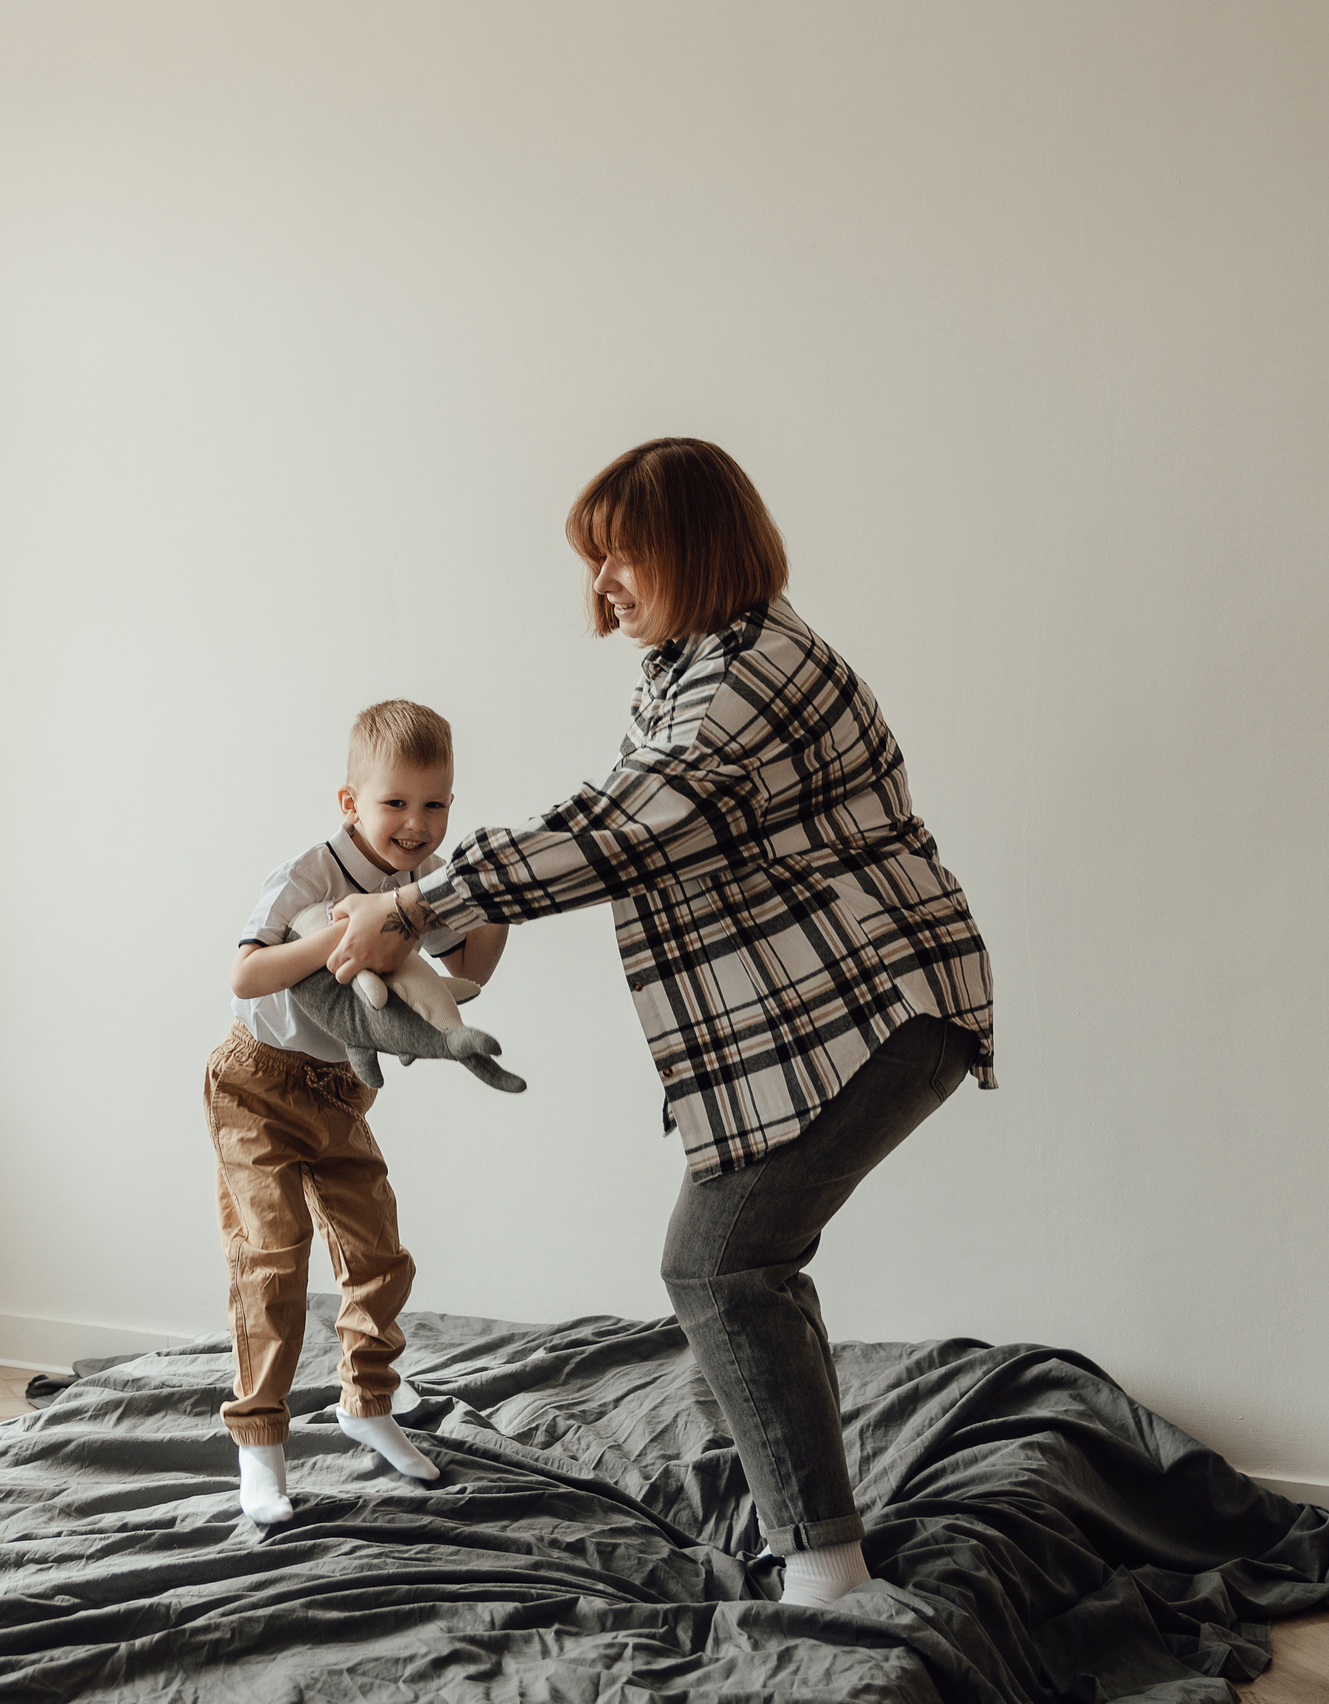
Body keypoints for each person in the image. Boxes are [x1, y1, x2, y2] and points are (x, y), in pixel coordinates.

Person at [326, 439, 994, 1607]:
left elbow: (617, 828)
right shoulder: (692, 666)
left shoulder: (753, 676)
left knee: (721, 1260)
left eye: (619, 558)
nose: (603, 588)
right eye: (594, 565)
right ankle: (818, 1538)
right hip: (826, 1017)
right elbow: (618, 836)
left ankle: (826, 1572)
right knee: (745, 1261)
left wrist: (415, 900)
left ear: (691, 547)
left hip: (882, 1005)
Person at [209, 700, 511, 1525]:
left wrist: (494, 897)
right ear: (352, 803)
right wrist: (347, 934)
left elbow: (470, 967)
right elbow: (245, 977)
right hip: (257, 1084)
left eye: (436, 804)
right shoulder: (310, 873)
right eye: (396, 803)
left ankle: (366, 1405)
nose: (416, 825)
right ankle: (260, 1446)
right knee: (272, 1259)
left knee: (379, 1257)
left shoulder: (424, 881)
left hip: (343, 1091)